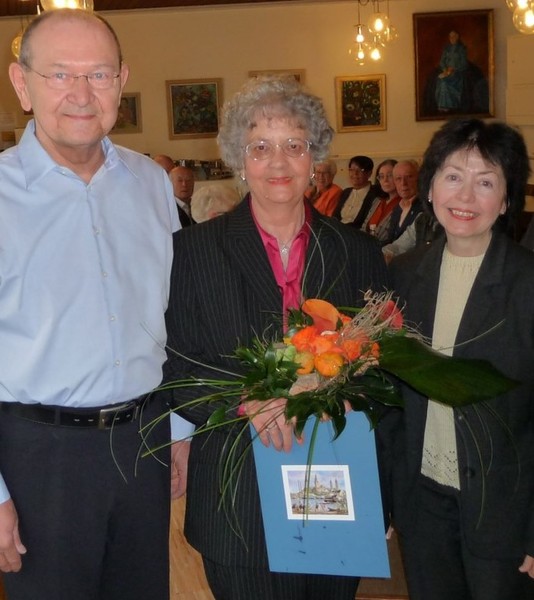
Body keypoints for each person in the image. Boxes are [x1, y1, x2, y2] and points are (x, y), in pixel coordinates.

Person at [164, 75, 388, 600]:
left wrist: (350, 399)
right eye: (260, 147)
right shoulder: (193, 251)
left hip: (335, 481)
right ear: (239, 160)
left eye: (294, 145)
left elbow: (385, 367)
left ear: (315, 157)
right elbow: (177, 367)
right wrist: (247, 402)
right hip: (238, 494)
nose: (278, 162)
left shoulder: (357, 252)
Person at [2, 9, 181, 599]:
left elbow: (174, 316)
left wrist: (180, 427)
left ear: (121, 81)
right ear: (22, 84)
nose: (81, 94)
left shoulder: (151, 183)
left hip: (145, 442)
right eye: (59, 74)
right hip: (37, 458)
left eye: (99, 74)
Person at [383, 118, 534, 600]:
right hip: (422, 501)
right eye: (453, 176)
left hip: (505, 510)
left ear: (506, 199)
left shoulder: (527, 283)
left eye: (486, 182)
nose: (465, 196)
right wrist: (385, 498)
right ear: (430, 188)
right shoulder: (404, 276)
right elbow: (391, 401)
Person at [333, 155, 382, 227]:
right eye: (351, 170)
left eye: (360, 170)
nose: (355, 173)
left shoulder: (376, 194)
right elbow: (335, 216)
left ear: (369, 173)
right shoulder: (346, 192)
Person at [360, 158, 400, 242]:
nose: (385, 180)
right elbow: (364, 227)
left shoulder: (403, 204)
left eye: (390, 175)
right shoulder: (377, 201)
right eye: (381, 176)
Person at [386, 160, 421, 243]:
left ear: (419, 179)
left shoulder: (426, 207)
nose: (403, 183)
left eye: (409, 177)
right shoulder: (397, 208)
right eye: (398, 178)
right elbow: (390, 240)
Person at [435, 29, 468, 113]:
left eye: (453, 36)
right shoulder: (447, 48)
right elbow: (442, 61)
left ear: (457, 37)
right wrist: (445, 69)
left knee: (444, 83)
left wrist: (454, 68)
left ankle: (447, 105)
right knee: (440, 80)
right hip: (447, 72)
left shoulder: (461, 48)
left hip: (457, 73)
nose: (451, 38)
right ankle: (441, 105)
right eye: (450, 37)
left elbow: (464, 64)